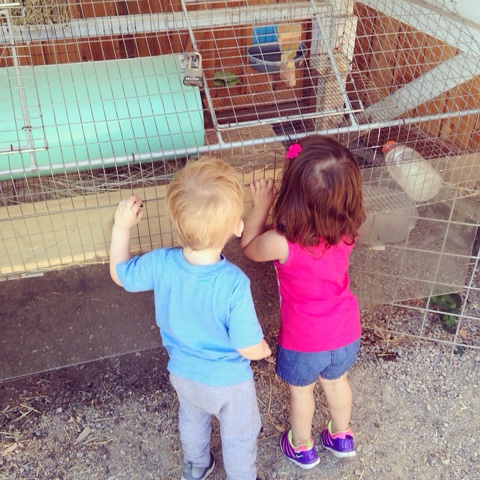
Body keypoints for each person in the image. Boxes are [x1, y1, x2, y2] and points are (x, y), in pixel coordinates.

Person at [109, 156, 272, 480]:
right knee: (239, 434)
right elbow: (246, 344)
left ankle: (196, 466)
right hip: (229, 382)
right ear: (237, 226)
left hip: (183, 372)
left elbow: (120, 274)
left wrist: (122, 226)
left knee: (193, 420)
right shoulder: (233, 283)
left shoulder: (161, 264)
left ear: (176, 221)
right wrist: (263, 350)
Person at [241, 135, 365, 469]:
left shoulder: (281, 242)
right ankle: (341, 436)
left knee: (302, 392)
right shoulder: (348, 230)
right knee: (336, 383)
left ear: (293, 194)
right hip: (346, 332)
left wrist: (261, 206)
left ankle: (301, 446)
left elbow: (249, 247)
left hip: (304, 340)